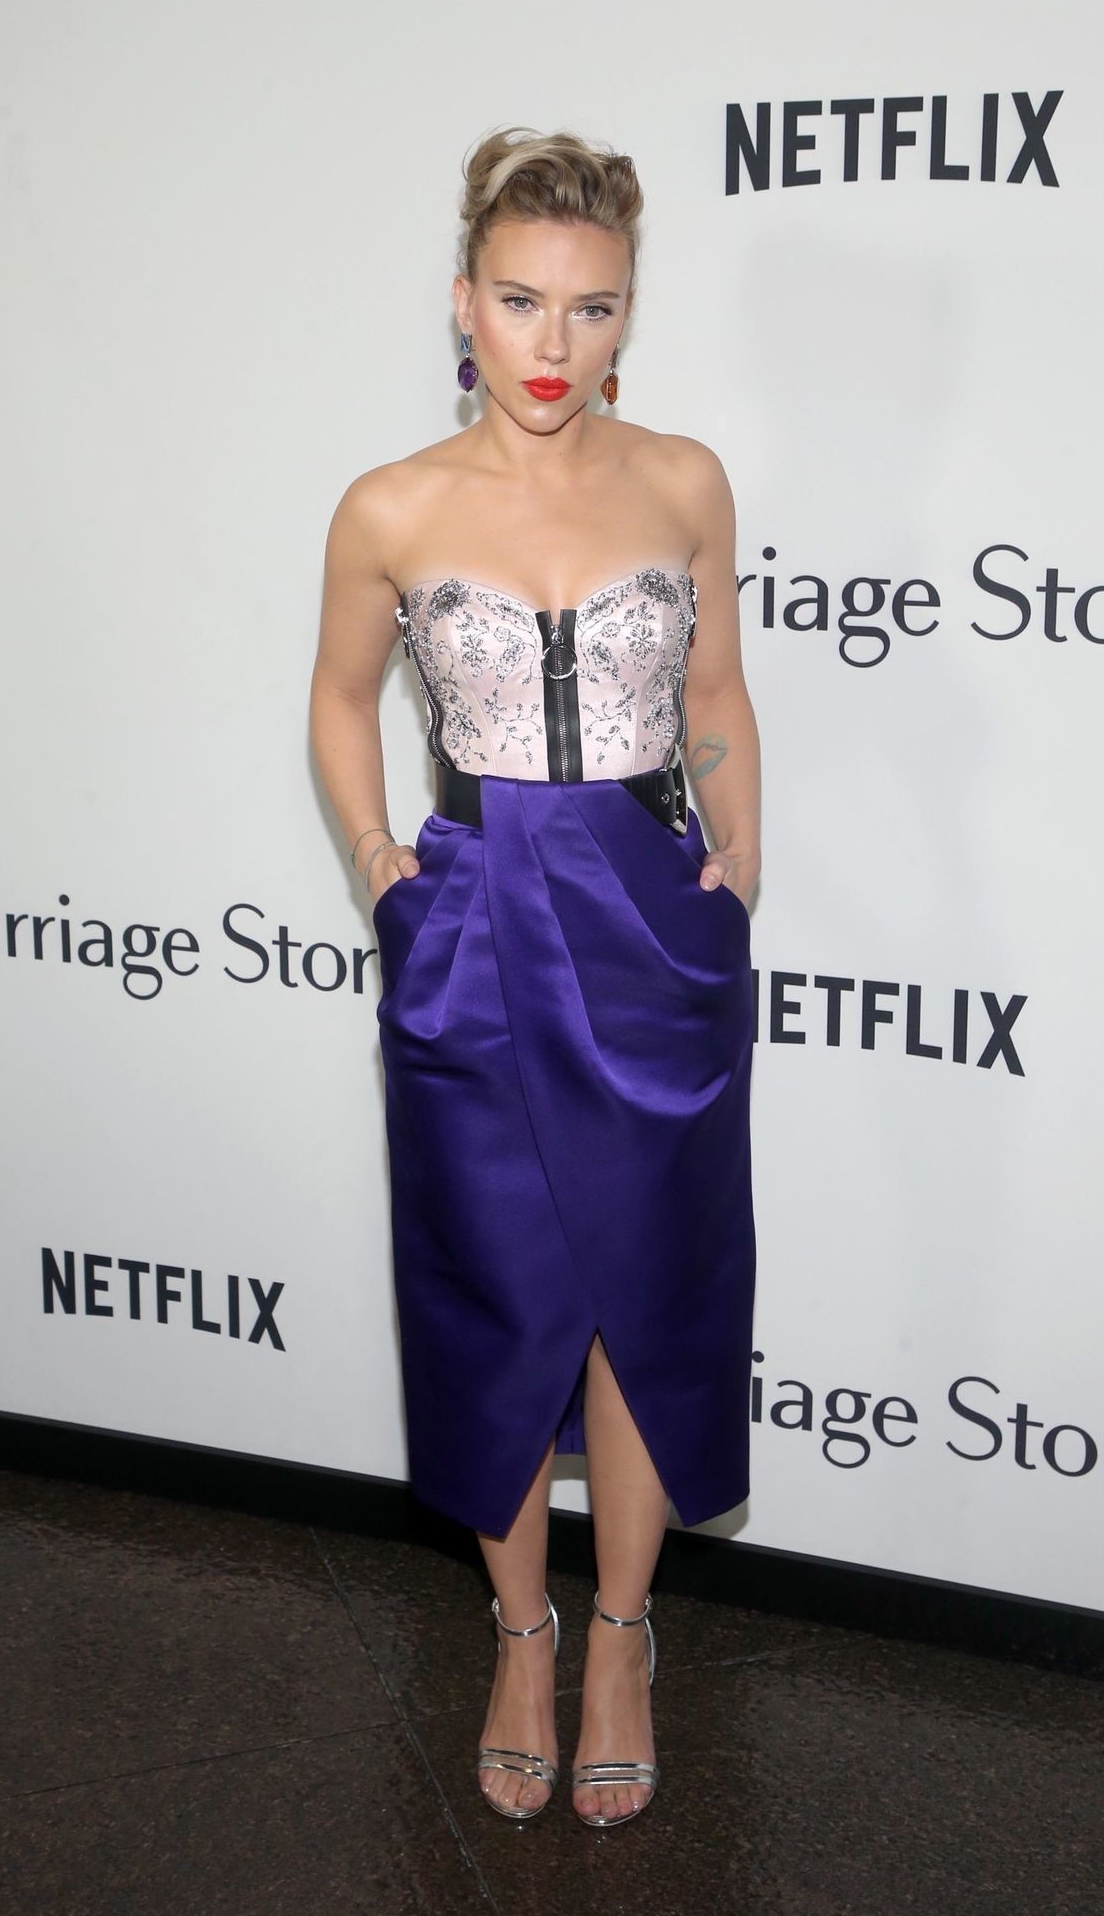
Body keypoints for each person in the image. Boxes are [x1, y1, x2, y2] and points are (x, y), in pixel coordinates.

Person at [309, 125, 761, 1831]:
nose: (554, 344)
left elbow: (716, 693)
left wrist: (738, 859)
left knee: (647, 1294)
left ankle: (624, 1634)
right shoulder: (391, 506)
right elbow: (338, 698)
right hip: (475, 917)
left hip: (650, 918)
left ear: (629, 310)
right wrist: (381, 864)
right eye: (520, 301)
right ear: (463, 303)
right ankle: (520, 1635)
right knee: (494, 1288)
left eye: (592, 306)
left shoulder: (686, 481)